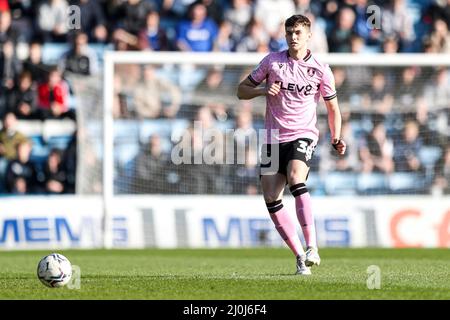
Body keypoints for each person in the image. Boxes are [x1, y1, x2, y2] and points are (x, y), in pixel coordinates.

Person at [236, 14, 346, 275]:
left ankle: (312, 246)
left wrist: (336, 136)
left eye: (298, 32)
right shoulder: (272, 62)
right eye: (289, 33)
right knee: (271, 197)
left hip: (303, 134)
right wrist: (263, 90)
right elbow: (241, 91)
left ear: (309, 35)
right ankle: (299, 257)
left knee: (297, 178)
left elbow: (333, 108)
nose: (293, 37)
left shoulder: (320, 68)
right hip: (274, 139)